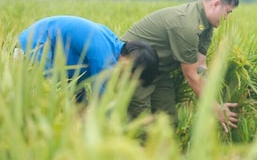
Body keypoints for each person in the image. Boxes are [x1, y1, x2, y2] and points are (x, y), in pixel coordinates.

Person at [122, 0, 241, 131]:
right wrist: (215, 108)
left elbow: (200, 66)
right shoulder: (187, 26)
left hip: (159, 72)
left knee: (168, 122)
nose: (226, 17)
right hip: (135, 71)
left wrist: (214, 98)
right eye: (228, 12)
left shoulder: (206, 27)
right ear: (216, 4)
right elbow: (191, 75)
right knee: (142, 127)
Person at [16, 15, 159, 101]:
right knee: (45, 93)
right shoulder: (104, 56)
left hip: (52, 52)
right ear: (128, 62)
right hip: (38, 42)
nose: (124, 79)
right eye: (130, 76)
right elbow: (102, 96)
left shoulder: (111, 46)